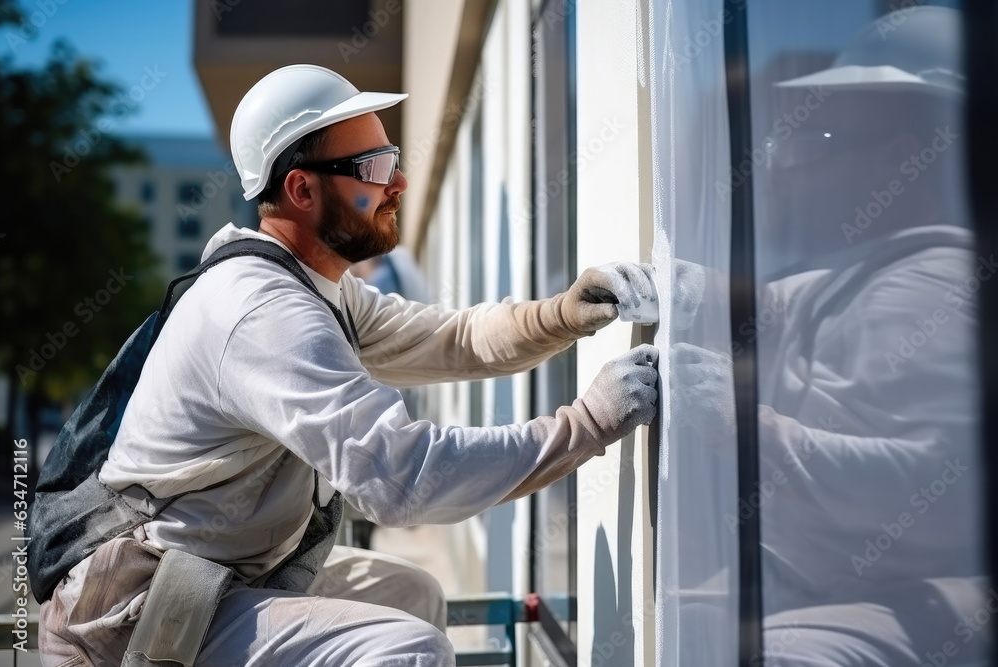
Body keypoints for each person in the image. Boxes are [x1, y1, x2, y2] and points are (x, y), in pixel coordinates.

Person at [37, 64, 660, 666]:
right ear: (302, 189)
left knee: (412, 595)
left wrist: (564, 313)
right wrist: (587, 426)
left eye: (393, 160)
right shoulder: (261, 312)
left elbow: (453, 338)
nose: (398, 183)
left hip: (215, 577)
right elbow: (402, 478)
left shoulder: (314, 287)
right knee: (407, 649)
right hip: (133, 618)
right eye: (374, 166)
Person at [673, 7, 986, 666]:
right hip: (837, 579)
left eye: (822, 138)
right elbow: (774, 305)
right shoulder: (873, 268)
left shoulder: (929, 287)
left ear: (904, 160)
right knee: (672, 621)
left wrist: (747, 428)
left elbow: (936, 490)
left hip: (917, 593)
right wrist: (677, 287)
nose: (789, 163)